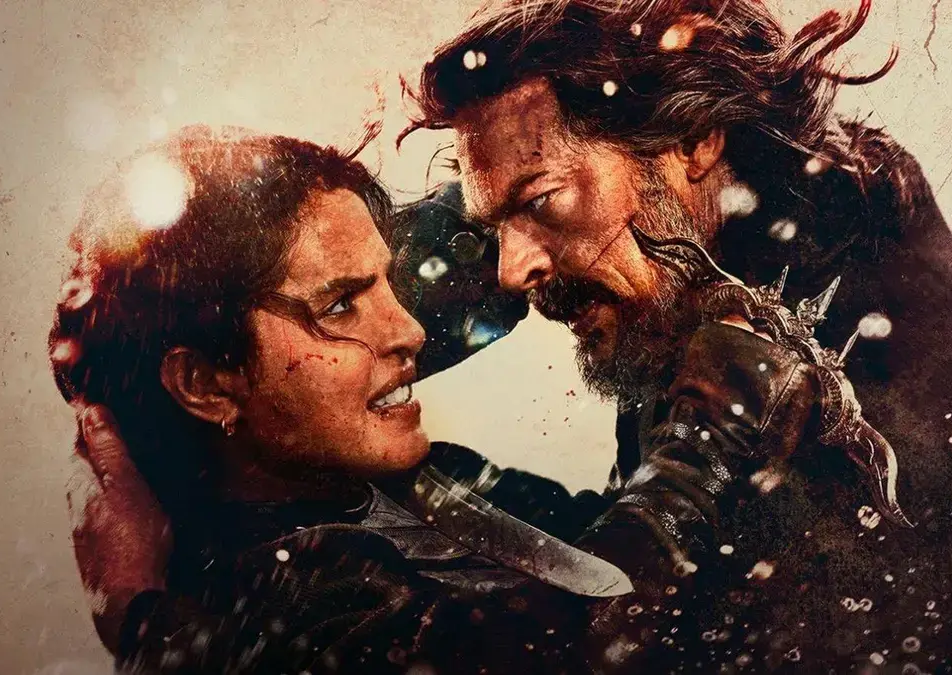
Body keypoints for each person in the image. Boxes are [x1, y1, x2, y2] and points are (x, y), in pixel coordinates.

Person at [50, 125, 836, 673]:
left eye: (386, 284)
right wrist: (723, 416)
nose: (409, 330)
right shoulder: (270, 600)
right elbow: (583, 644)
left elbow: (600, 548)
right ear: (204, 382)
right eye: (340, 304)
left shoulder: (404, 484)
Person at [397, 0, 952, 669]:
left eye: (540, 200)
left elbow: (616, 637)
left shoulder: (861, 355)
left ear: (691, 141)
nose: (511, 271)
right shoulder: (695, 275)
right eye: (494, 228)